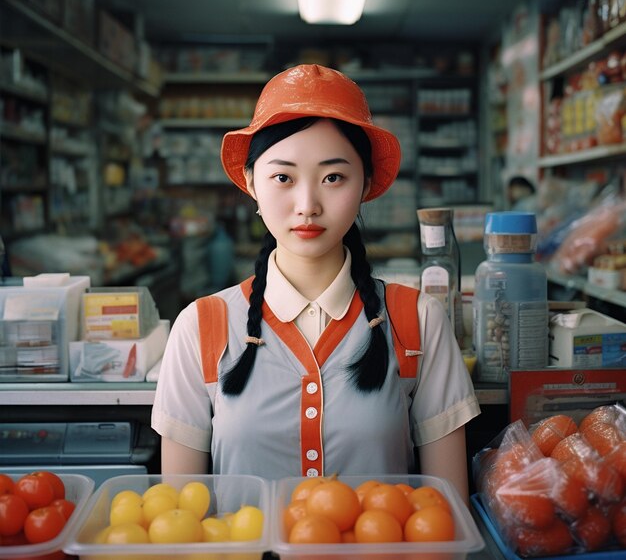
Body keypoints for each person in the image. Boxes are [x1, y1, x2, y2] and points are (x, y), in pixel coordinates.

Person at [151, 64, 481, 504]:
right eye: (283, 177)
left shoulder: (417, 319)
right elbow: (179, 521)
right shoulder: (200, 326)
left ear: (364, 184)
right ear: (250, 183)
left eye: (333, 177)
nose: (307, 205)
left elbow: (447, 513)